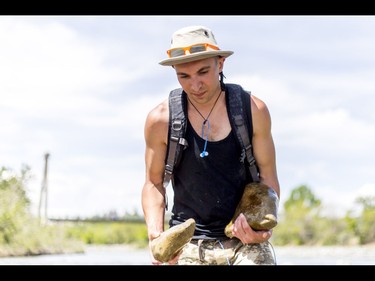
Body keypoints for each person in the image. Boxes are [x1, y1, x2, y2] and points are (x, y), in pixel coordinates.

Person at [141, 25, 280, 265]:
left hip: (243, 242)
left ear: (221, 63)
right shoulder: (160, 120)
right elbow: (153, 183)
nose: (195, 85)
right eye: (184, 76)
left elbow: (268, 178)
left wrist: (261, 229)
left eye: (203, 72)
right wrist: (156, 234)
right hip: (187, 245)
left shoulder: (253, 111)